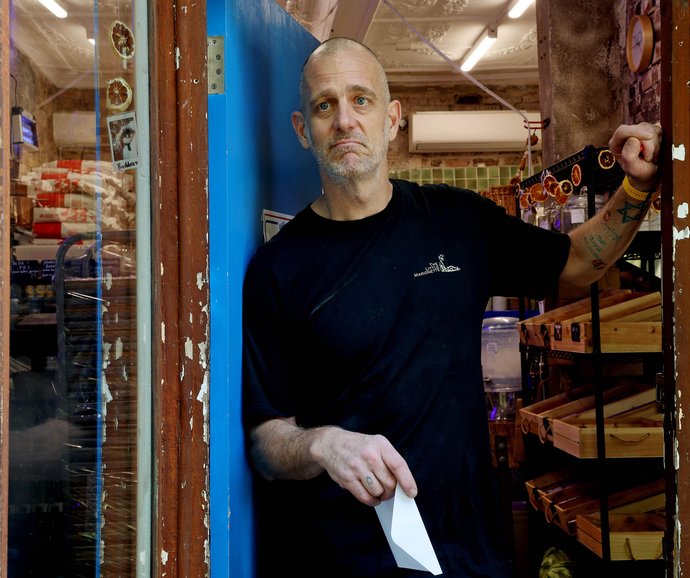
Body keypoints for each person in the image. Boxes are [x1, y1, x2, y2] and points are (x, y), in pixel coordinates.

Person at [241, 37, 662, 577]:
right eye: (325, 105)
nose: (345, 120)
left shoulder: (458, 222)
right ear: (304, 129)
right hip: (340, 558)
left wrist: (636, 187)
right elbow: (264, 443)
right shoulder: (279, 269)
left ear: (392, 118)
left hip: (467, 553)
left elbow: (578, 261)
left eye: (361, 100)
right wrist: (323, 443)